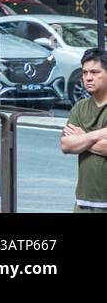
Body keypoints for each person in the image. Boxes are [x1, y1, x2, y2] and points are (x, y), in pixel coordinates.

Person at [60, 48, 107, 212]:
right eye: (85, 72)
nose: (88, 78)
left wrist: (82, 138)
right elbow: (66, 145)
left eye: (95, 72)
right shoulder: (80, 107)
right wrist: (98, 135)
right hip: (83, 202)